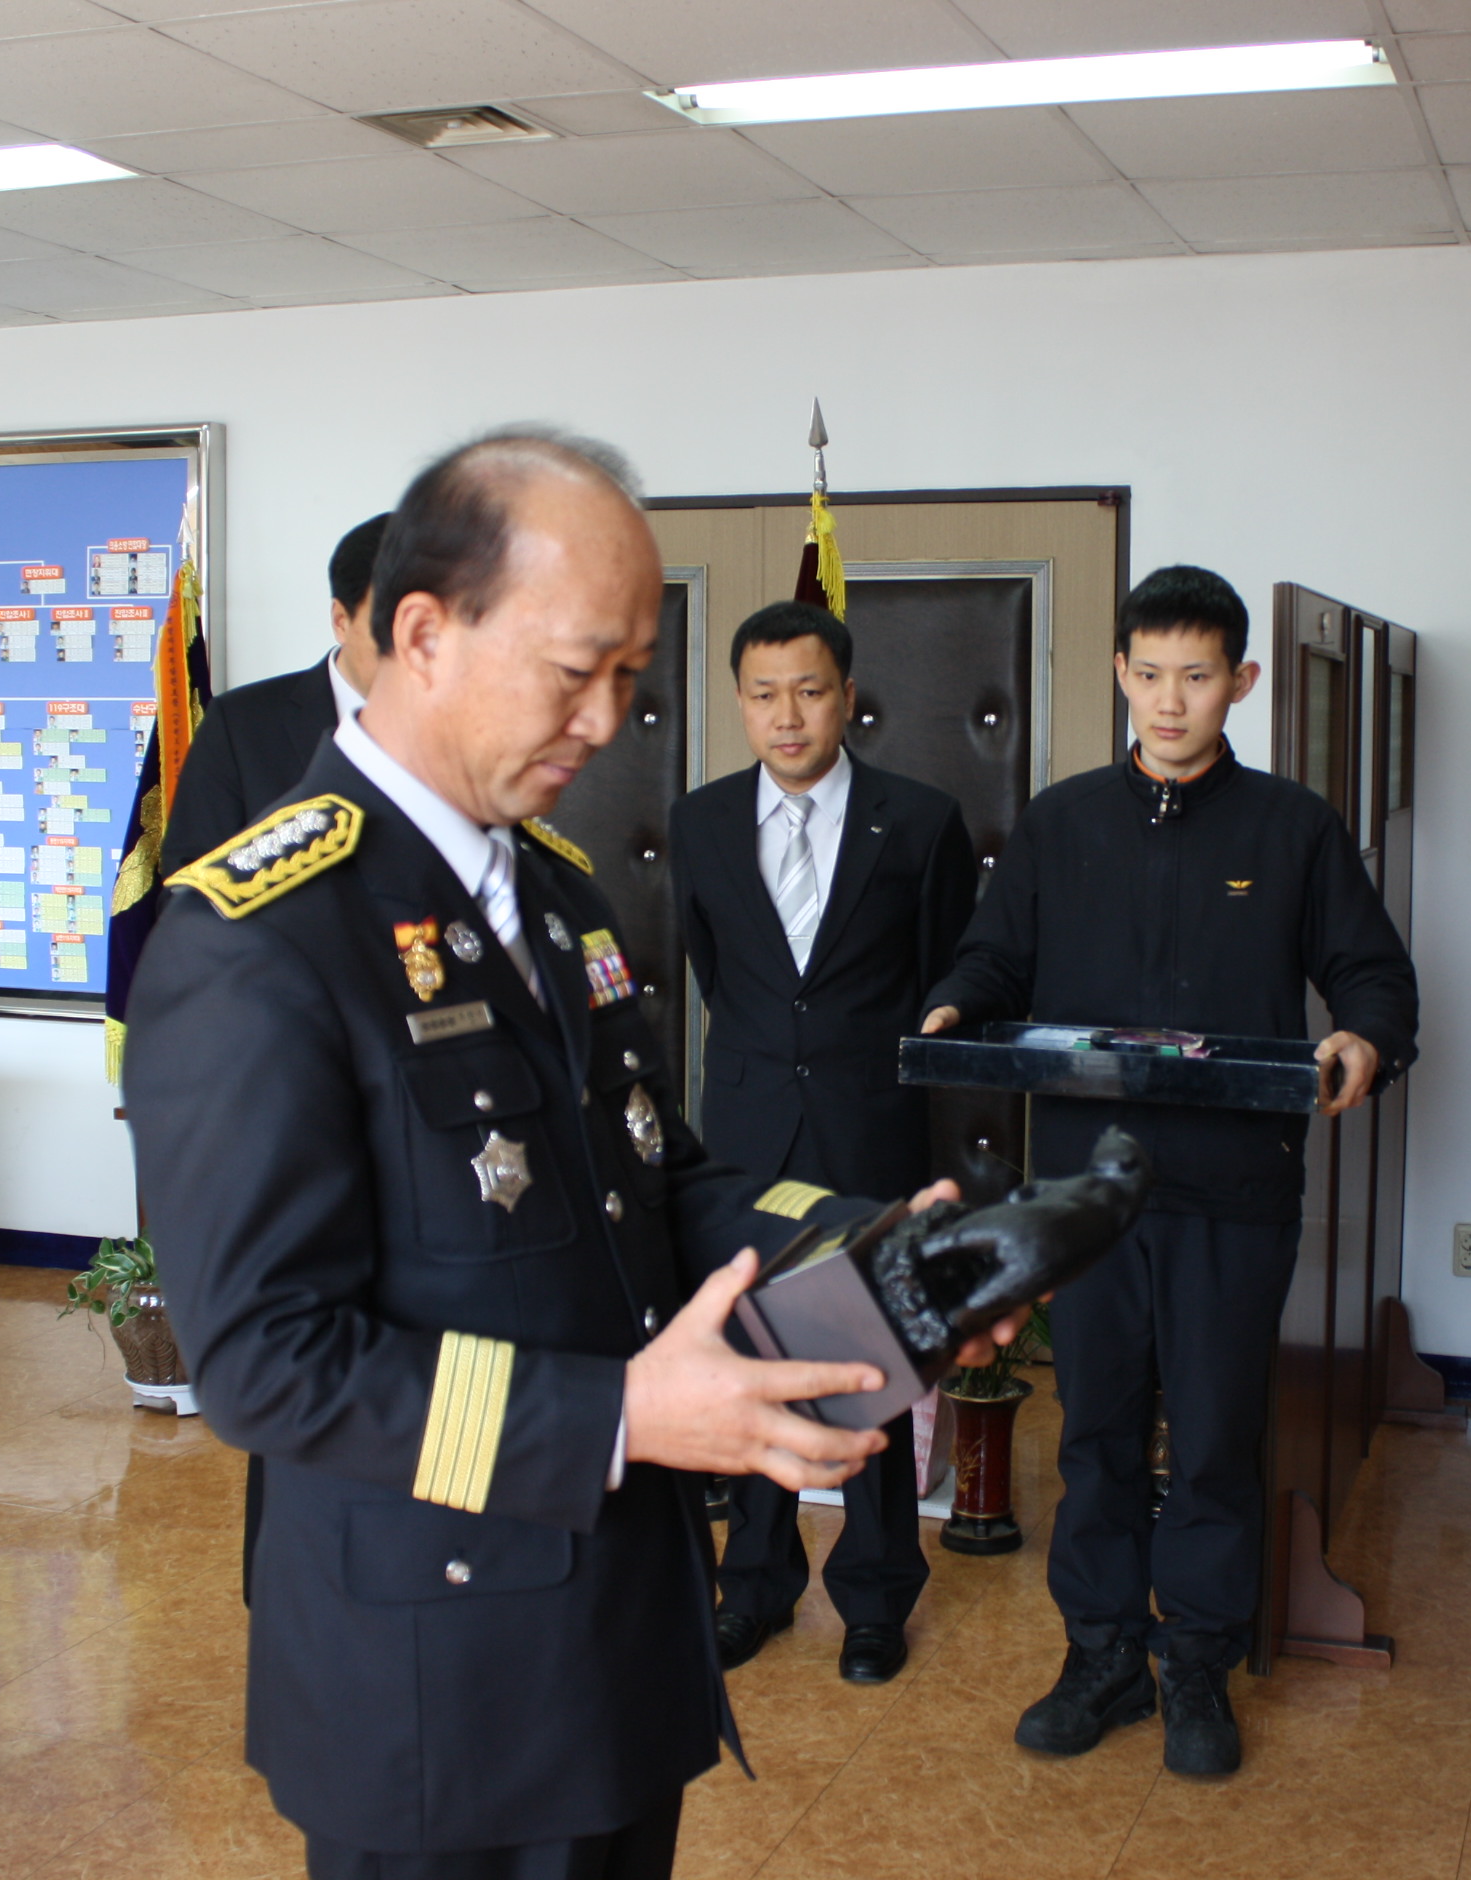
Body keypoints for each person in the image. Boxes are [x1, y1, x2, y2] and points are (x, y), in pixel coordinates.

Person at [124, 429, 1013, 1880]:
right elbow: (269, 1363)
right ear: (424, 634)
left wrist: (877, 1248)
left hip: (612, 1632)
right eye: (573, 670)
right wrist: (619, 1413)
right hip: (436, 1673)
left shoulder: (552, 893)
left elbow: (659, 1183)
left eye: (631, 675)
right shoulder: (261, 935)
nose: (607, 721)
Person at [922, 564, 1418, 1777]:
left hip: (1232, 1187)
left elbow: (1372, 977)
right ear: (1119, 673)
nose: (1168, 699)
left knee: (1209, 1434)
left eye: (1195, 675)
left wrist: (1362, 1037)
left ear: (1240, 681)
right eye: (1147, 673)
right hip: (1084, 1195)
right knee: (1091, 1428)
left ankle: (1195, 1657)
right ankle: (1098, 1653)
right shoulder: (1060, 821)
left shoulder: (1292, 827)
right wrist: (951, 1005)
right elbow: (993, 956)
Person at [668, 599, 980, 1685]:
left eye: (808, 691)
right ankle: (752, 1584)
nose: (787, 715)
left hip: (868, 1123)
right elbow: (718, 973)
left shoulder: (921, 820)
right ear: (740, 702)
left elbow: (944, 971)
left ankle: (876, 1595)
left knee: (869, 1357)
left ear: (848, 696)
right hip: (748, 1128)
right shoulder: (701, 821)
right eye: (764, 695)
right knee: (751, 1351)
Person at [155, 509, 392, 1608]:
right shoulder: (250, 729)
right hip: (293, 1114)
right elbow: (195, 925)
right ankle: (293, 1606)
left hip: (426, 1100)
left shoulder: (464, 730)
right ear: (340, 618)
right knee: (303, 1378)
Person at [160, 510, 391, 875]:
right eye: (392, 627)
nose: (416, 652)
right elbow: (188, 883)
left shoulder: (468, 725)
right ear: (341, 621)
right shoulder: (240, 727)